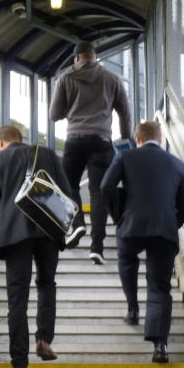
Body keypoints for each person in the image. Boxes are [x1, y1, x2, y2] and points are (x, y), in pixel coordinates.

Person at [0, 125, 74, 368]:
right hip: (48, 231)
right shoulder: (46, 154)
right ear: (20, 140)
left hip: (14, 237)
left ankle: (19, 361)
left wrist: (10, 220)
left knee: (17, 299)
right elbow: (66, 193)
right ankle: (44, 339)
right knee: (46, 284)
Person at [101, 120, 184, 363]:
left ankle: (132, 308)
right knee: (159, 286)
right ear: (160, 140)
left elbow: (105, 186)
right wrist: (171, 224)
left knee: (126, 258)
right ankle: (160, 346)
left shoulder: (125, 157)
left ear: (136, 140)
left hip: (131, 226)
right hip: (164, 229)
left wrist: (119, 216)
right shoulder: (178, 164)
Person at [48, 40, 132, 265]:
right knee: (98, 193)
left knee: (67, 186)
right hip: (102, 141)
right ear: (95, 57)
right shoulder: (113, 78)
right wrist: (126, 140)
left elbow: (54, 114)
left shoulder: (65, 78)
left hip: (74, 139)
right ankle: (97, 248)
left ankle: (78, 224)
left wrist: (72, 104)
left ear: (76, 58)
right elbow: (125, 113)